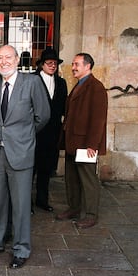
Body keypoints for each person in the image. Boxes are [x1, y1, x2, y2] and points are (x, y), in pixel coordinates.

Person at [0, 45, 50, 269]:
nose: (3, 62)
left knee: (20, 205)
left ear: (17, 60)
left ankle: (21, 248)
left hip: (21, 153)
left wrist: (23, 136)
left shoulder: (32, 83)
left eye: (8, 57)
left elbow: (43, 116)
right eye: (0, 58)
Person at [56, 53, 108, 229]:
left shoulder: (96, 87)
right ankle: (75, 208)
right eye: (72, 64)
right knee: (71, 177)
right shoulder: (79, 85)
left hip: (85, 144)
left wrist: (93, 145)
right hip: (72, 141)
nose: (73, 67)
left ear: (88, 66)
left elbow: (98, 119)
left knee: (88, 179)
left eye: (77, 64)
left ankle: (91, 214)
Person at [33, 49, 68, 212]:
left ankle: (42, 200)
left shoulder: (61, 83)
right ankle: (25, 203)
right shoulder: (32, 80)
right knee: (30, 169)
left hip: (52, 133)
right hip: (35, 133)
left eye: (55, 63)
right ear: (41, 65)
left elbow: (63, 108)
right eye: (49, 63)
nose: (52, 66)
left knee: (46, 170)